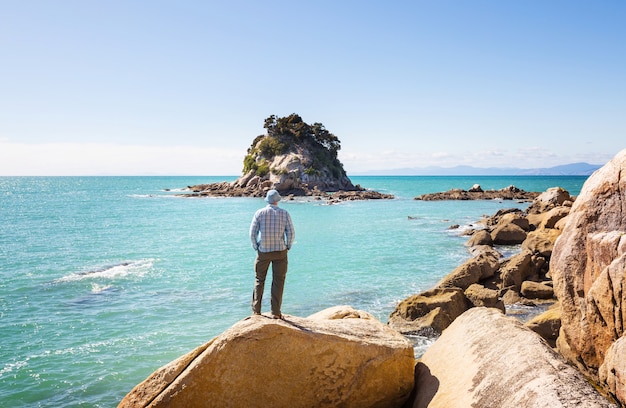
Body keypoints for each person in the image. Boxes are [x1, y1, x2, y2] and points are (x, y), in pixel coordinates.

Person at [249, 189, 295, 319]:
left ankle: (256, 311)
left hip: (263, 251)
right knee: (278, 281)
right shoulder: (285, 213)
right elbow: (291, 232)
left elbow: (252, 233)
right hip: (280, 251)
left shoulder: (259, 213)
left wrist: (256, 245)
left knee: (259, 279)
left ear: (267, 200)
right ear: (277, 200)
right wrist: (288, 245)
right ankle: (275, 312)